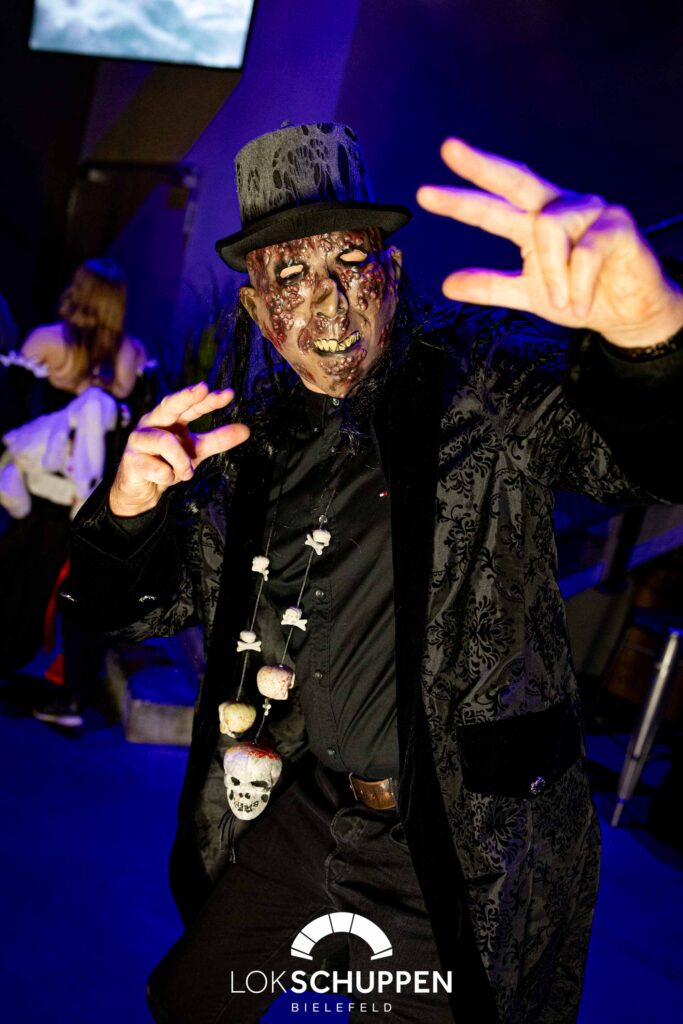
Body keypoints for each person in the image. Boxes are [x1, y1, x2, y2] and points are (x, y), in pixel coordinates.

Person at [64, 124, 683, 1023]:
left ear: (391, 272)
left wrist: (650, 345)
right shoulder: (250, 446)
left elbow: (644, 461)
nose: (326, 303)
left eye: (350, 262)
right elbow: (134, 610)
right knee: (191, 998)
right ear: (256, 312)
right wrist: (127, 511)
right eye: (289, 276)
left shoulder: (484, 381)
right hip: (302, 806)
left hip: (455, 837)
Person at [0, 258, 148, 726]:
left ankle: (26, 675)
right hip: (91, 500)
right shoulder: (129, 356)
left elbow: (16, 415)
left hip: (42, 500)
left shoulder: (45, 343)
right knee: (74, 594)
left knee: (21, 583)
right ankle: (64, 692)